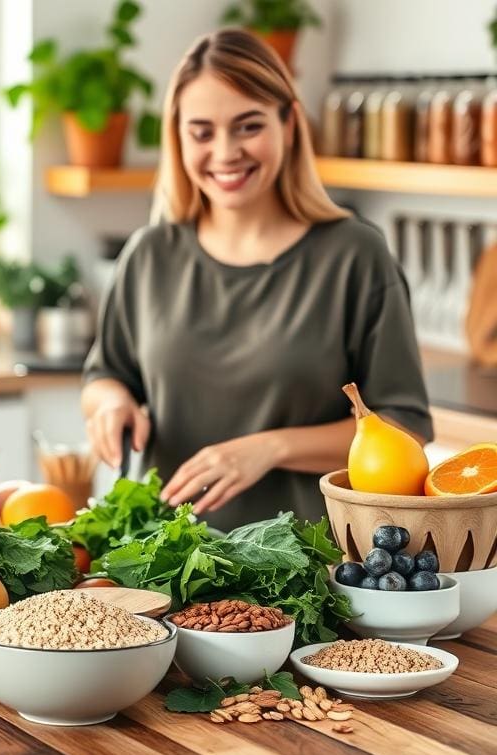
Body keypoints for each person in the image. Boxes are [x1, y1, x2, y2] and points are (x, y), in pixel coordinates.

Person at [82, 28, 433, 530]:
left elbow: (406, 426)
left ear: (289, 123)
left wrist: (271, 448)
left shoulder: (354, 256)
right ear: (178, 136)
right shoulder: (149, 255)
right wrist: (111, 404)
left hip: (308, 568)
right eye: (202, 132)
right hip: (161, 566)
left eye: (248, 127)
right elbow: (105, 375)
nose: (225, 153)